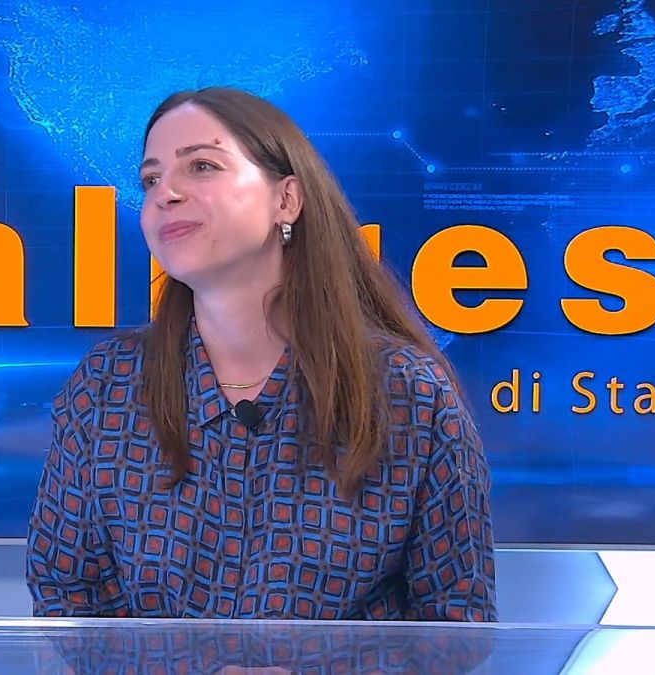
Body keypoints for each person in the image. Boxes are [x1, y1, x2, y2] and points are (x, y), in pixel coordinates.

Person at [27, 86, 496, 621]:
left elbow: (458, 618)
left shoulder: (409, 394)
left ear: (286, 200)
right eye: (151, 180)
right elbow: (67, 594)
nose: (165, 194)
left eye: (201, 166)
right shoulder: (107, 384)